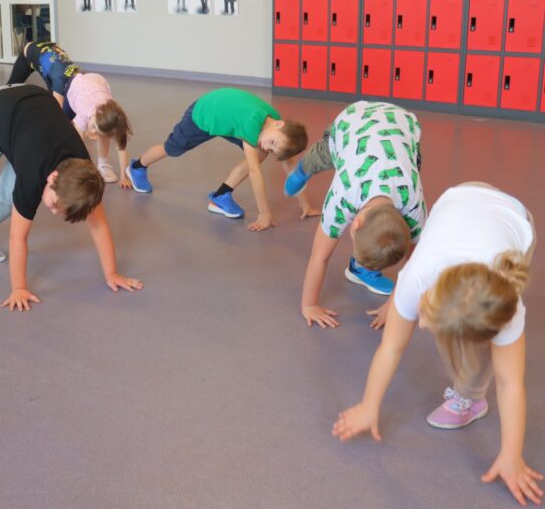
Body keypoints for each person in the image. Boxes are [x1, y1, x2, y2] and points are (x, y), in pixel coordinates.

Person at [333, 183, 541, 508]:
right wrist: (369, 406)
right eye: (424, 313)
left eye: (427, 320)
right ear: (430, 290)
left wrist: (511, 456)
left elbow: (510, 383)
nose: (420, 325)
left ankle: (471, 397)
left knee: (478, 348)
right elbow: (390, 348)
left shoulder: (507, 306)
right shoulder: (417, 275)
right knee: (425, 319)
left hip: (514, 219)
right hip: (462, 197)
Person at [0, 84, 142, 310]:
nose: (53, 211)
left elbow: (99, 226)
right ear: (52, 177)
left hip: (31, 122)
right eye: (54, 205)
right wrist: (19, 288)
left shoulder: (85, 178)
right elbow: (18, 238)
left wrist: (112, 273)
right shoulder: (33, 175)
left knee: (10, 198)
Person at [287, 101, 426, 329]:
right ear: (356, 221)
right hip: (351, 122)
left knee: (409, 162)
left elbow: (413, 266)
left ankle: (360, 269)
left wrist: (393, 305)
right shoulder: (343, 196)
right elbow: (318, 258)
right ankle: (302, 170)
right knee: (322, 156)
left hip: (400, 126)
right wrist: (309, 305)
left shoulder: (413, 205)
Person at [125, 88, 312, 230]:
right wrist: (264, 214)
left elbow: (290, 164)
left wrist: (305, 204)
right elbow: (254, 172)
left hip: (224, 116)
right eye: (272, 142)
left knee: (259, 153)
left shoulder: (274, 123)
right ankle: (137, 166)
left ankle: (221, 196)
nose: (268, 146)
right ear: (278, 124)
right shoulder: (252, 125)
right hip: (202, 115)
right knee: (171, 149)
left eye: (273, 149)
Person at [7, 41, 133, 185]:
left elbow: (121, 146)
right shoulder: (66, 90)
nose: (92, 133)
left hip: (80, 78)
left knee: (84, 129)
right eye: (94, 127)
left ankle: (103, 165)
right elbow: (73, 139)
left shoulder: (112, 115)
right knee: (11, 89)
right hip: (29, 53)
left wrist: (124, 177)